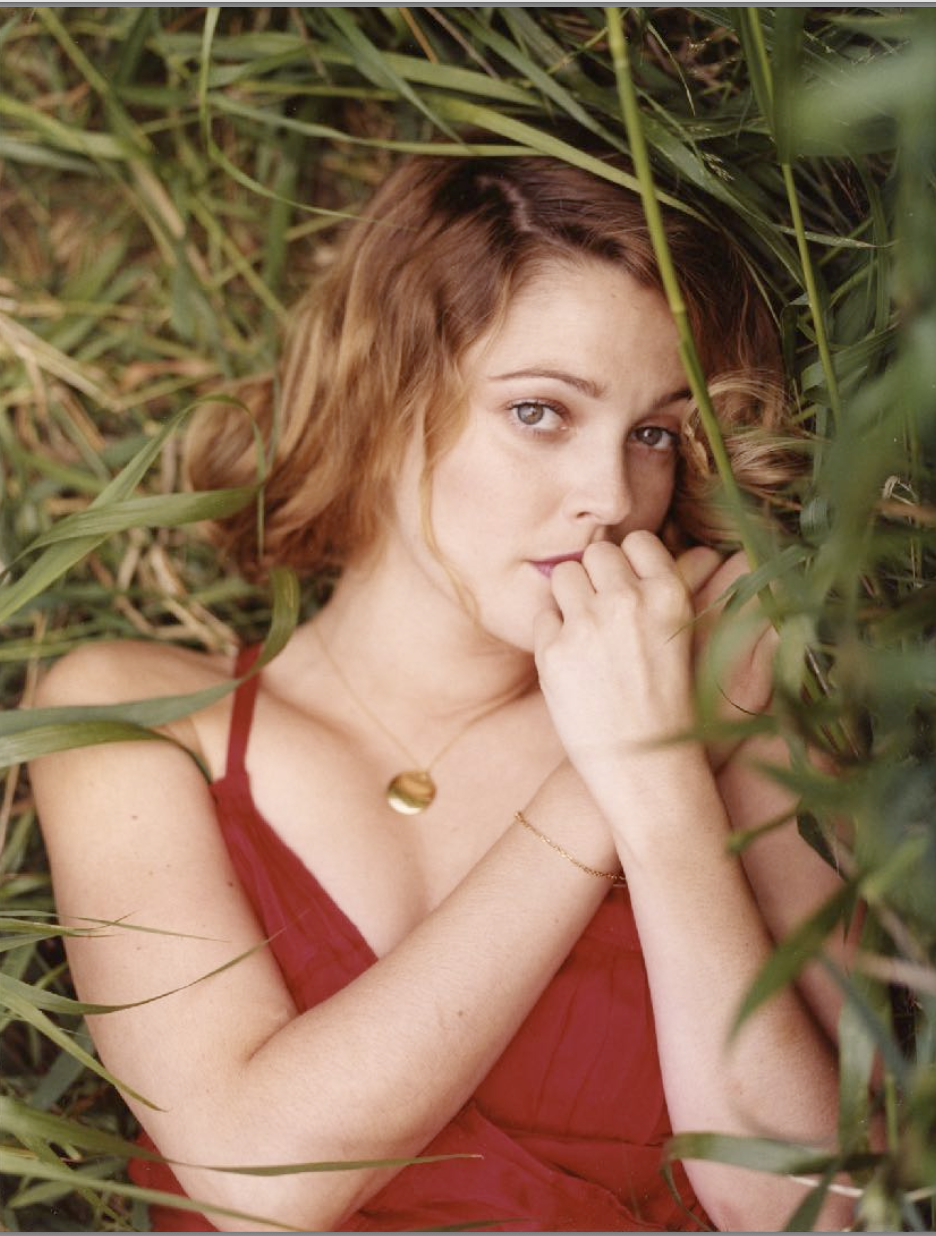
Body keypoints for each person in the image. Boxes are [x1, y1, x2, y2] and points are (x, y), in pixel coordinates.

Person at [30, 153, 856, 1233]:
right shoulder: (134, 718)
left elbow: (814, 1211)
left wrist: (665, 805)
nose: (611, 496)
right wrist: (606, 777)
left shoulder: (739, 718)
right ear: (385, 396)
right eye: (541, 412)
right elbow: (259, 1182)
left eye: (652, 434)